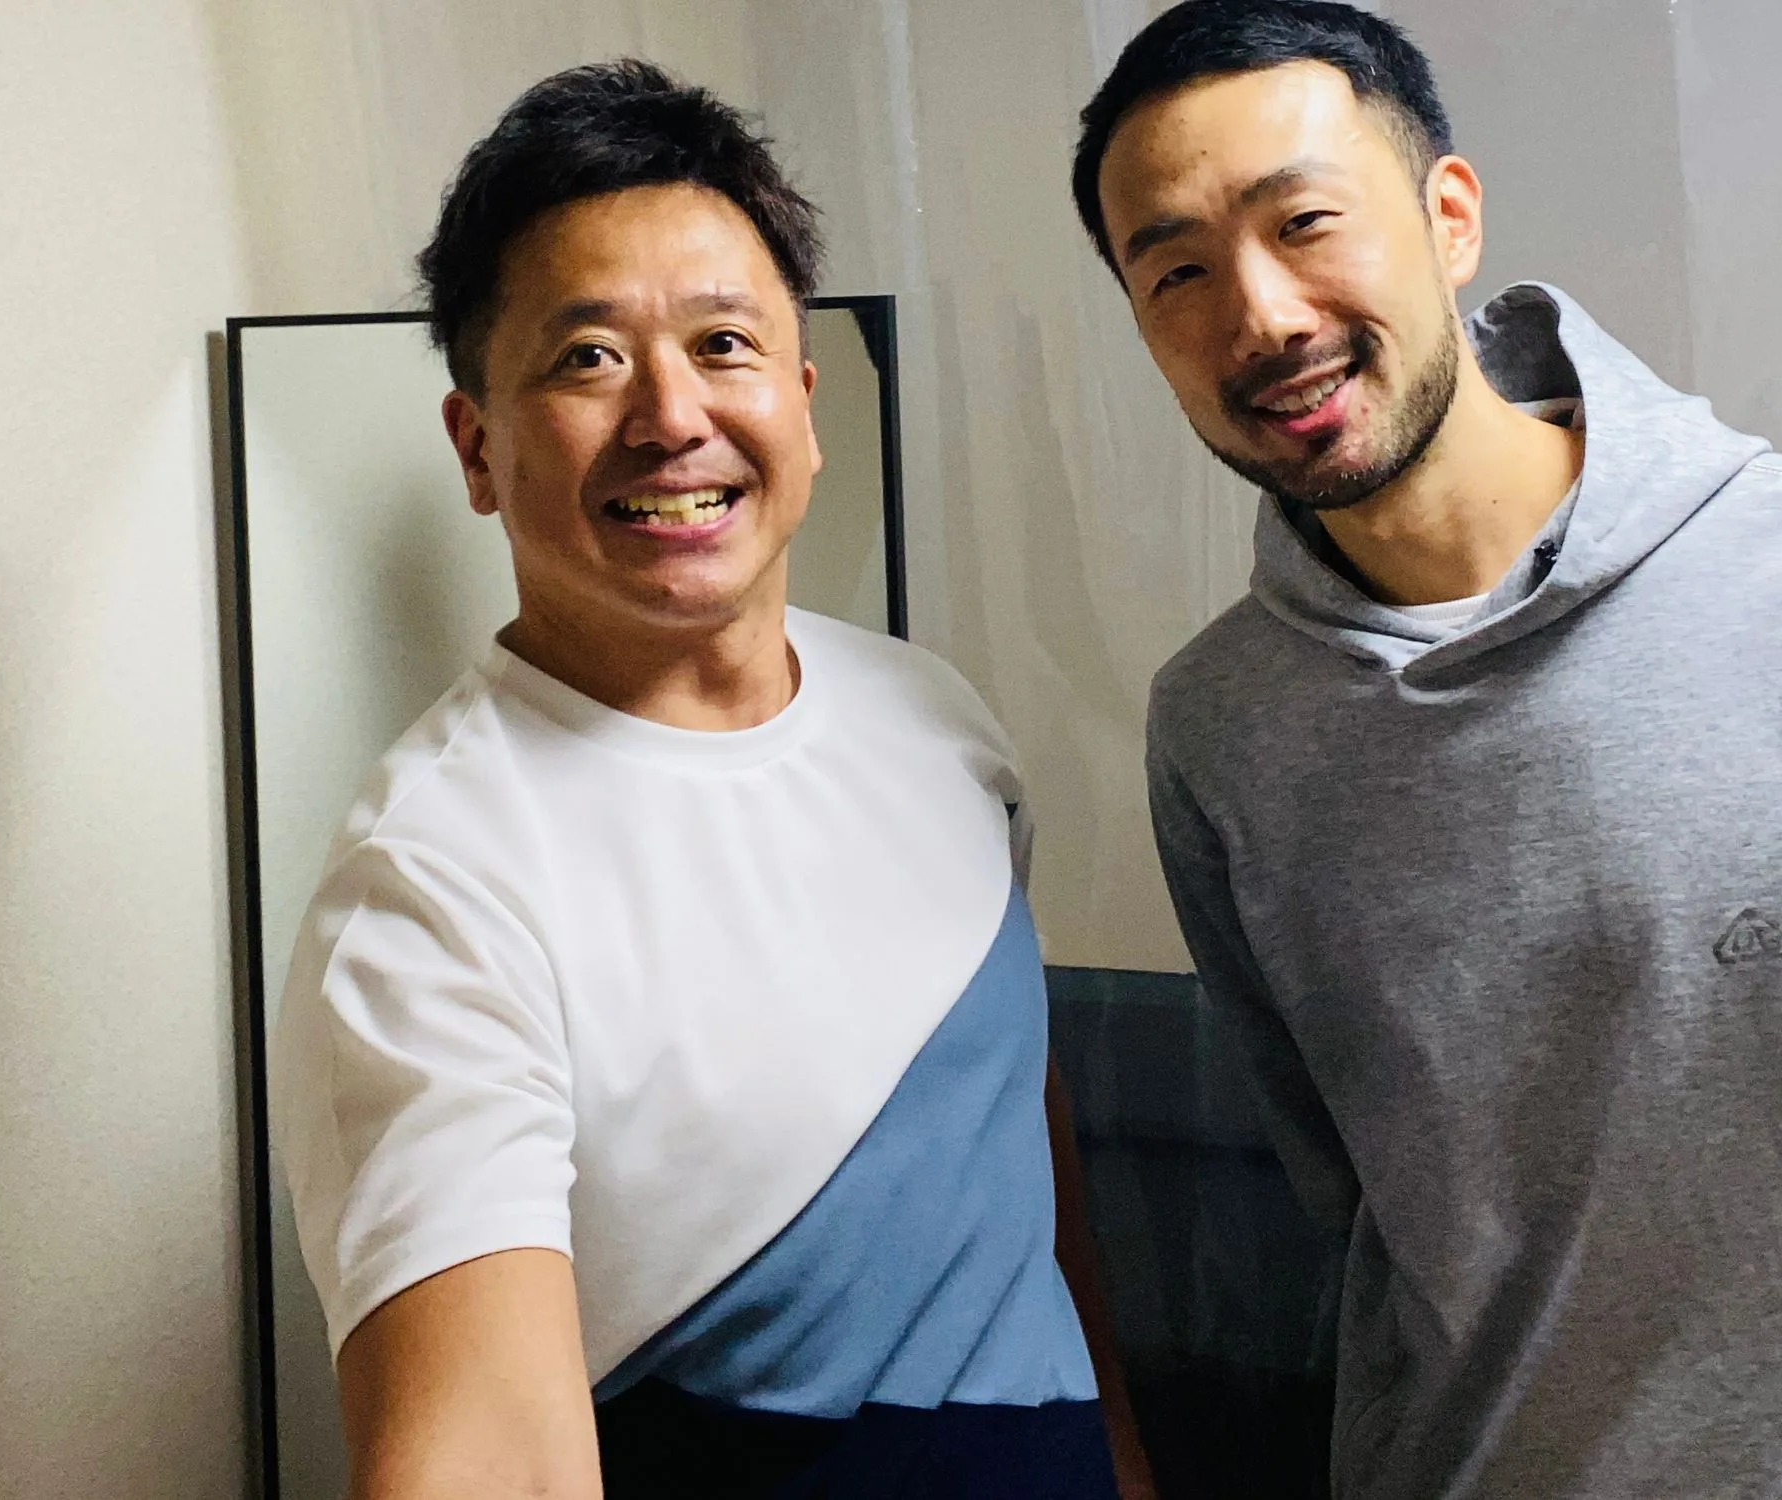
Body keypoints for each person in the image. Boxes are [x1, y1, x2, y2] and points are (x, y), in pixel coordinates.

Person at [1070, 3, 1782, 1496]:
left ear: (1448, 216)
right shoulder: (1222, 728)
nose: (1263, 314)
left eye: (1305, 224)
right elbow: (1354, 1190)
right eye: (1176, 271)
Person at [272, 60, 1148, 1500]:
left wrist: (1119, 1456)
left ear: (803, 403)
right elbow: (487, 1456)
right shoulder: (429, 890)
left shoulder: (937, 720)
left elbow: (1011, 1147)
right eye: (586, 357)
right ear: (477, 448)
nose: (671, 414)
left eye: (724, 343)